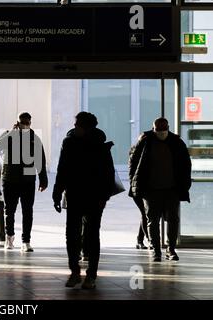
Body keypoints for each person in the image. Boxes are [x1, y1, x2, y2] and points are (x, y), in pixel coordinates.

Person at [52, 112, 115, 289]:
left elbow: (107, 173)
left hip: (90, 195)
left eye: (78, 124)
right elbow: (62, 168)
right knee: (76, 234)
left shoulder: (100, 145)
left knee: (89, 235)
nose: (75, 127)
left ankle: (88, 275)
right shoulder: (70, 142)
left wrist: (105, 196)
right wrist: (57, 192)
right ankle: (77, 272)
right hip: (79, 194)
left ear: (87, 127)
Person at [129, 118, 191, 262]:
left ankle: (170, 249)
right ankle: (156, 250)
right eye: (158, 130)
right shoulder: (145, 142)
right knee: (153, 220)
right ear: (153, 129)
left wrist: (184, 184)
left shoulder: (176, 142)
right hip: (150, 189)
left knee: (173, 220)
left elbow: (185, 165)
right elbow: (134, 161)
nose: (161, 132)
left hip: (172, 189)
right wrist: (135, 182)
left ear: (168, 127)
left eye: (163, 129)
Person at [0, 112, 48, 252]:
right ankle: (9, 237)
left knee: (27, 211)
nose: (25, 125)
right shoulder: (9, 135)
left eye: (28, 123)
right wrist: (12, 132)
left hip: (28, 180)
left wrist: (43, 180)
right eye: (23, 122)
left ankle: (26, 241)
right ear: (17, 123)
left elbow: (40, 160)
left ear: (31, 123)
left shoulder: (34, 139)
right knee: (9, 211)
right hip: (10, 179)